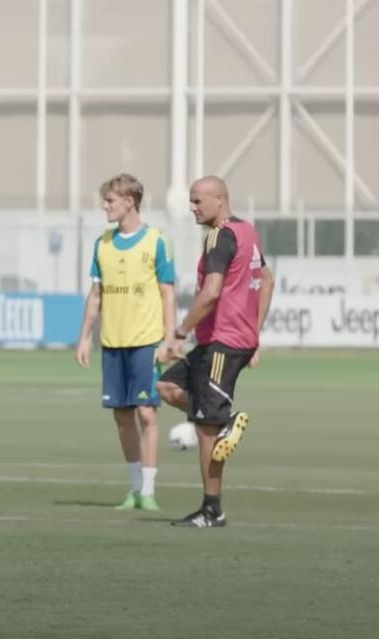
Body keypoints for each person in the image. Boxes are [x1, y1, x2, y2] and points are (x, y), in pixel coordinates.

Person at [158, 176, 274, 528]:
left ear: (219, 200)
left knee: (207, 428)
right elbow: (267, 281)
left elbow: (210, 293)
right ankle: (221, 419)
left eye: (197, 201)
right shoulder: (246, 231)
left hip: (222, 344)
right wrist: (254, 334)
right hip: (222, 341)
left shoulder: (219, 236)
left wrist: (179, 332)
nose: (192, 207)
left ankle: (212, 510)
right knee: (168, 387)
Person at [75, 174, 177, 512]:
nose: (105, 206)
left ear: (129, 202)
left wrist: (169, 338)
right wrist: (84, 337)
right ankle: (134, 489)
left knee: (147, 413)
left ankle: (148, 490)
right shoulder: (102, 244)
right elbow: (96, 295)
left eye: (110, 201)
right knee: (121, 416)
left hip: (146, 342)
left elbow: (167, 293)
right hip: (112, 342)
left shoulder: (157, 241)